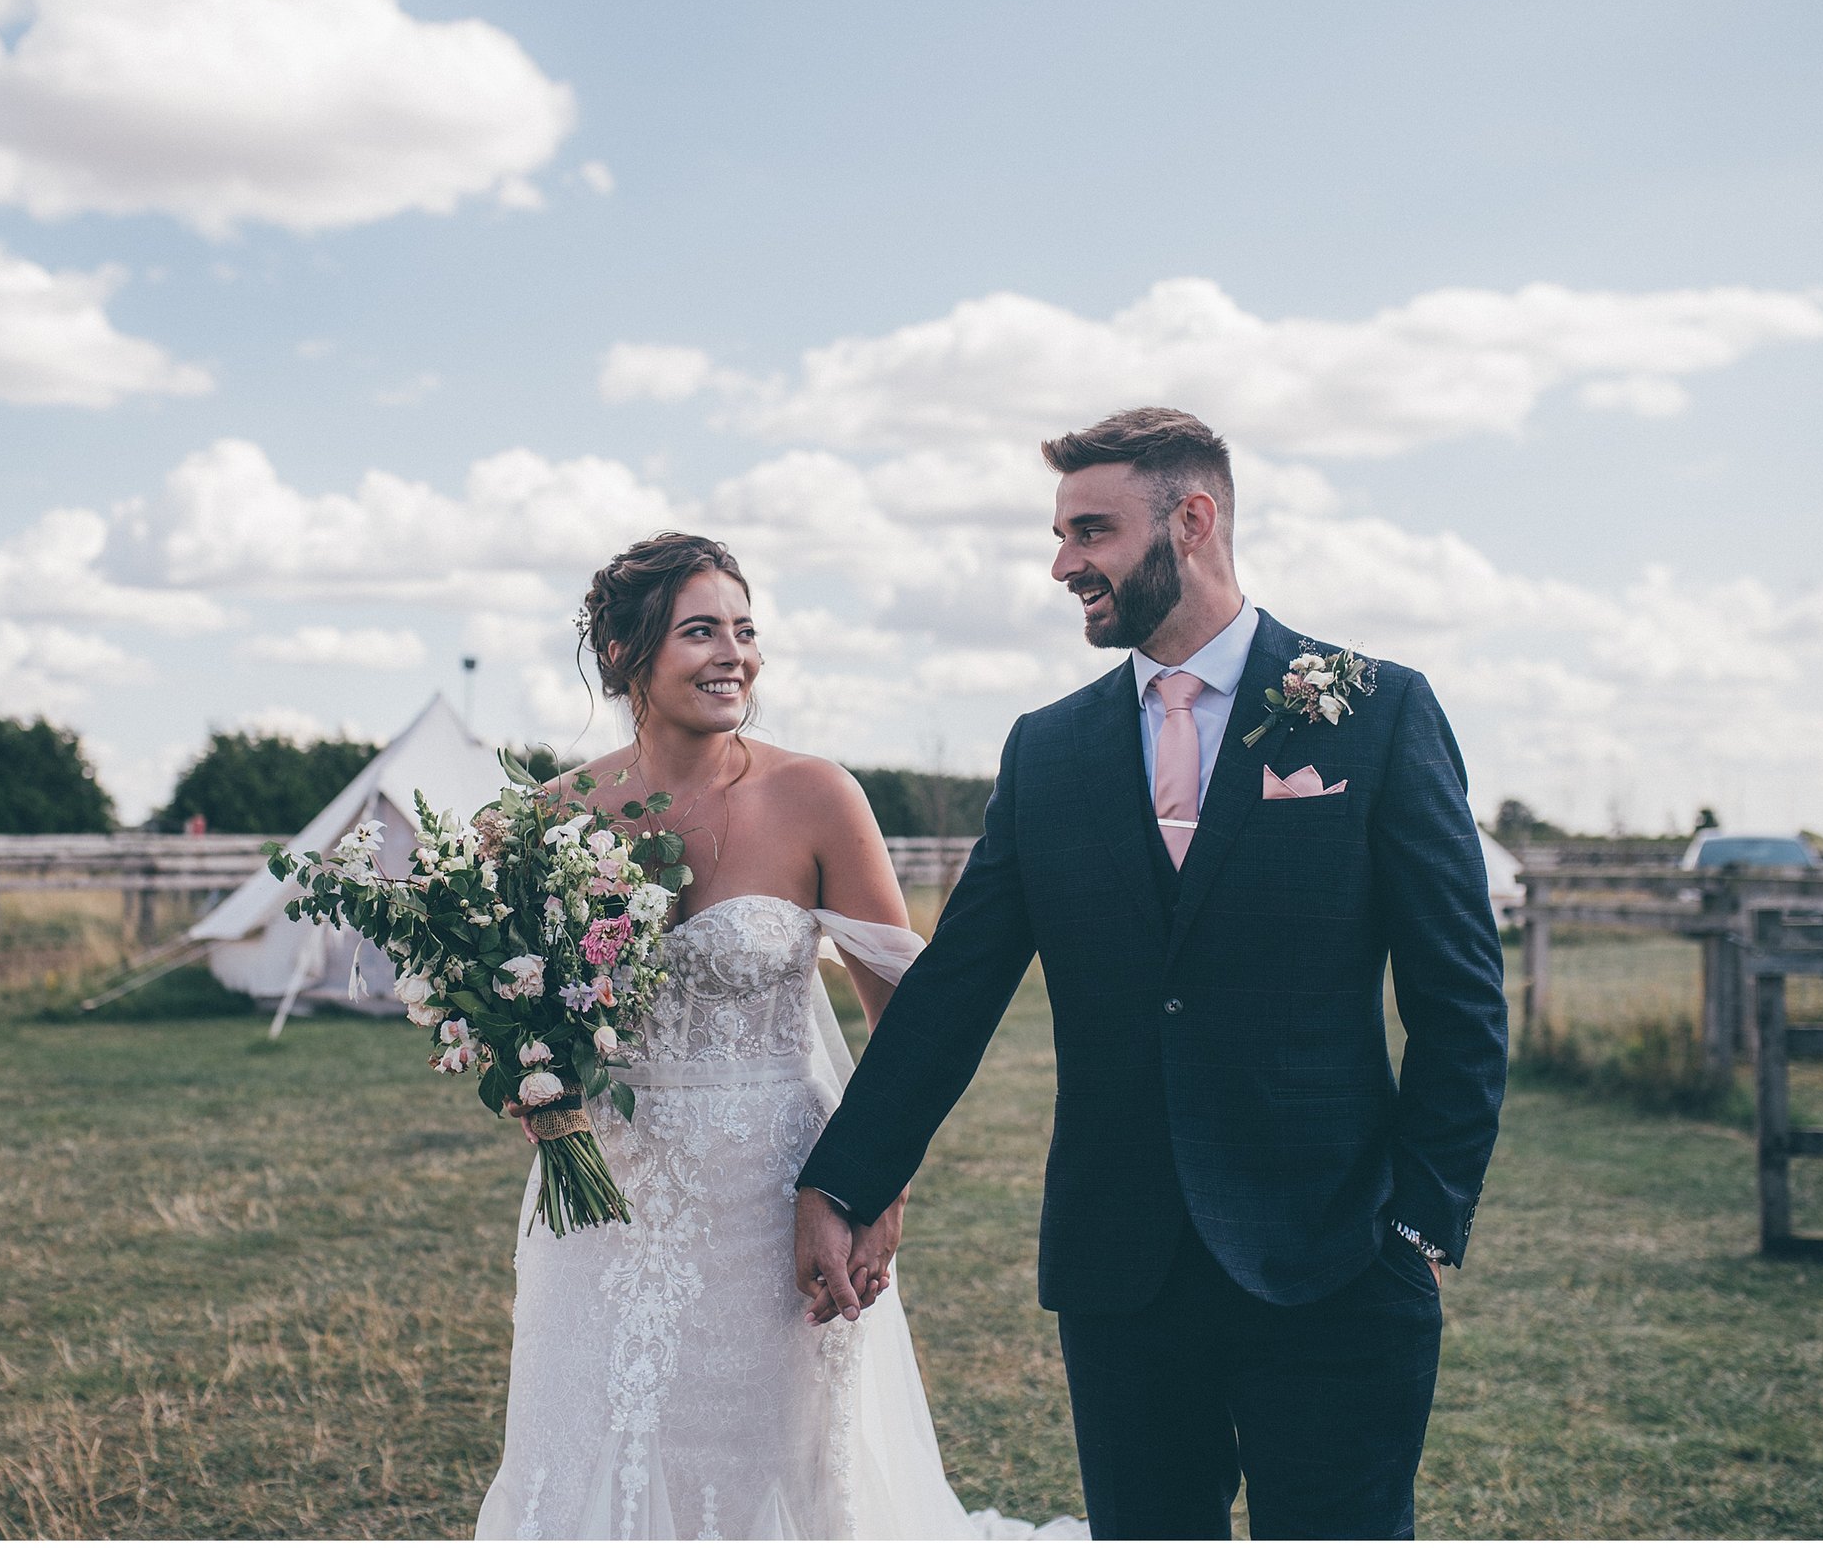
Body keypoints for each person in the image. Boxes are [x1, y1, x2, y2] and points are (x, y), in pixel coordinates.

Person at [795, 408, 1508, 1541]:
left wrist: (1420, 1222)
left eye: (1091, 530)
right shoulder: (1049, 749)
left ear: (1193, 518)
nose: (1062, 563)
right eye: (1061, 533)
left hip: (1335, 1259)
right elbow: (955, 992)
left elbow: (1461, 999)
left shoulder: (1376, 712)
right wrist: (843, 1179)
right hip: (1120, 1271)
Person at [473, 532, 1077, 1541]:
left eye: (745, 631)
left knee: (776, 1464)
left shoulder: (815, 797)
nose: (734, 655)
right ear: (626, 655)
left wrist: (875, 1188)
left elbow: (911, 1024)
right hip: (601, 1205)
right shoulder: (553, 817)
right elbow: (522, 1024)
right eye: (699, 630)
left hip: (776, 1201)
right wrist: (526, 1087)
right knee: (588, 1446)